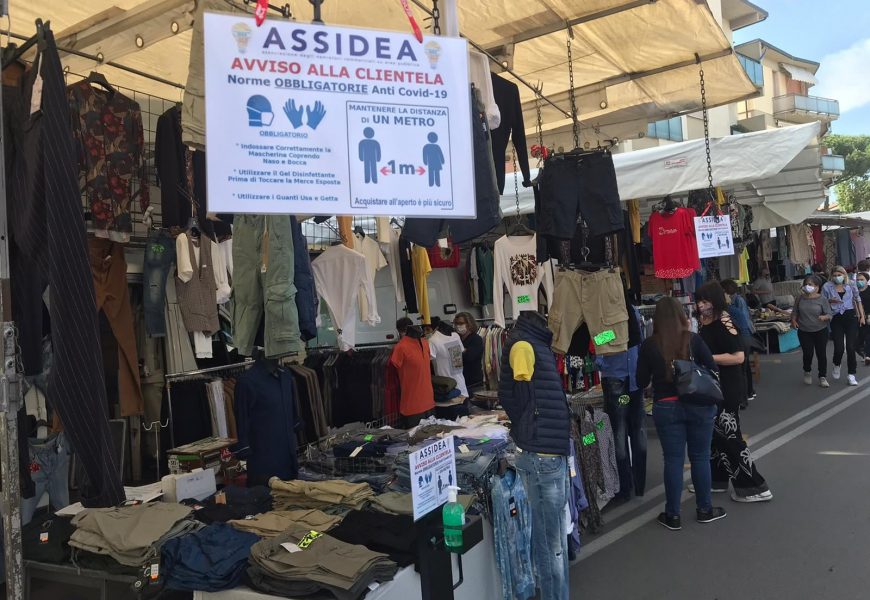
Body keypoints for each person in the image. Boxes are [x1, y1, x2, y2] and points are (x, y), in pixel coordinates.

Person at [498, 311, 571, 599]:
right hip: (542, 452)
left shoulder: (532, 344)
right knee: (549, 542)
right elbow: (522, 398)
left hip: (548, 450)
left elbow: (526, 398)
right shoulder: (524, 346)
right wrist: (527, 429)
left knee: (552, 541)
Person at [636, 297, 725, 531]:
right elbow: (713, 370)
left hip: (666, 406)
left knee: (673, 461)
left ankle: (672, 514)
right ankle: (705, 509)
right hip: (698, 406)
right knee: (700, 457)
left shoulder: (649, 345)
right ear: (681, 316)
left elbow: (641, 381)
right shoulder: (693, 340)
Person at [695, 281, 773, 503]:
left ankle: (754, 486)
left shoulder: (725, 320)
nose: (701, 305)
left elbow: (738, 356)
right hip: (711, 386)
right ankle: (716, 480)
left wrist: (707, 359)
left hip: (726, 387)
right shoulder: (704, 321)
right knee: (715, 436)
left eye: (706, 301)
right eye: (699, 301)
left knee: (730, 438)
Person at [598, 304, 647, 502]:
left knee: (628, 431)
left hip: (625, 378)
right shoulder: (610, 313)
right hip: (622, 378)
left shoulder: (610, 312)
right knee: (629, 431)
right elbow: (598, 343)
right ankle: (629, 485)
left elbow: (639, 341)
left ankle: (628, 486)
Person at [822, 265, 865, 386]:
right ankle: (837, 363)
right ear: (832, 276)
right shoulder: (827, 286)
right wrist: (830, 301)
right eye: (835, 275)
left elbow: (858, 300)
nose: (837, 277)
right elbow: (822, 301)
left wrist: (861, 316)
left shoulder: (851, 284)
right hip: (836, 318)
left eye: (839, 275)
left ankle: (851, 374)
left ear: (844, 275)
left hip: (850, 316)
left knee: (851, 347)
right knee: (839, 347)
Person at [389, 317, 435, 428]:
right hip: (413, 406)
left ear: (399, 331)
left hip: (427, 402)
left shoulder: (424, 343)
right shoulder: (401, 347)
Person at [791, 275, 833, 387]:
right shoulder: (800, 298)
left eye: (810, 284)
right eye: (805, 284)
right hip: (804, 330)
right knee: (808, 353)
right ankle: (807, 371)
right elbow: (794, 311)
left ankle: (822, 376)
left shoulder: (822, 299)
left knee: (821, 354)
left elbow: (830, 313)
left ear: (817, 287)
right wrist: (794, 320)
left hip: (820, 330)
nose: (807, 286)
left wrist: (825, 317)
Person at [721, 279, 756, 405]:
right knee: (742, 369)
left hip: (741, 338)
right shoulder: (731, 308)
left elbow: (742, 321)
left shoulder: (730, 308)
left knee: (740, 370)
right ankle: (746, 395)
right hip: (743, 337)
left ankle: (744, 397)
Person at [453, 312, 485, 394]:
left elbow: (469, 357)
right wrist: (463, 351)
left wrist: (459, 352)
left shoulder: (476, 339)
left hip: (473, 382)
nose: (458, 326)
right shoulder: (456, 339)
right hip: (460, 381)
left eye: (461, 323)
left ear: (469, 324)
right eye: (456, 323)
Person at [857, 272, 870, 366]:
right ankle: (864, 354)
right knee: (856, 342)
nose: (859, 282)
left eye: (862, 280)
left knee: (868, 338)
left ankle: (868, 356)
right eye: (857, 280)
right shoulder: (854, 291)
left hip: (868, 318)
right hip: (856, 319)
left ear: (867, 280)